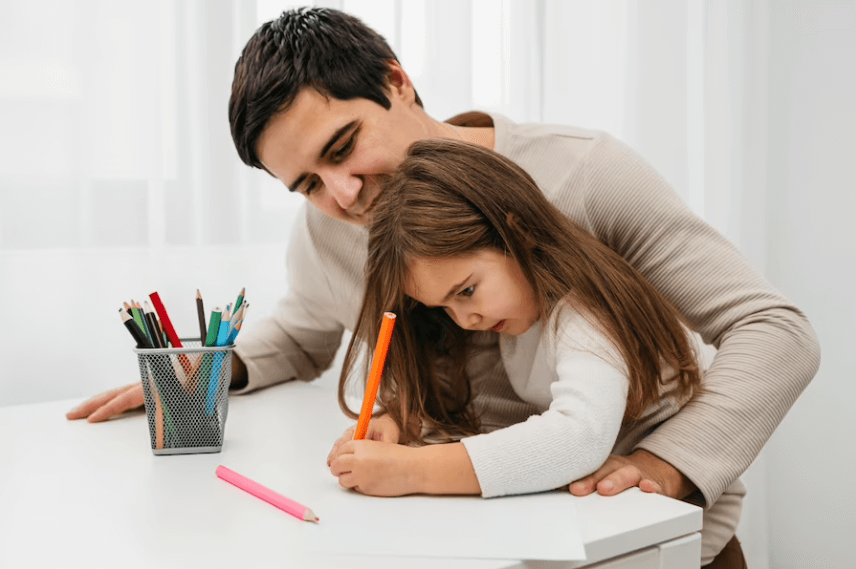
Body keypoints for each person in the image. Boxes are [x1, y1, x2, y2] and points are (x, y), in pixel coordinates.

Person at [67, 8, 817, 566]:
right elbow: (304, 332)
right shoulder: (330, 228)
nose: (346, 194)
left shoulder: (583, 175)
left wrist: (669, 465)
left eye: (344, 146)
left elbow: (774, 331)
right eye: (308, 183)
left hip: (651, 538)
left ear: (397, 81)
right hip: (497, 537)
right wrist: (207, 371)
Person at [327, 138, 739, 565]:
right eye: (444, 307)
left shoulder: (583, 312)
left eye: (466, 291)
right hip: (627, 528)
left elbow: (578, 436)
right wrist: (399, 418)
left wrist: (409, 470)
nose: (464, 319)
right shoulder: (515, 311)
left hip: (692, 540)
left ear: (517, 232)